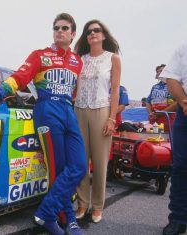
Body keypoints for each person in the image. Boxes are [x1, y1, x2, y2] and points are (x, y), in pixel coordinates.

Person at [0, 13, 87, 235]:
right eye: (56, 28)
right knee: (58, 169)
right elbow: (19, 78)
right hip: (47, 110)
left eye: (65, 28)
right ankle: (69, 219)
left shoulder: (77, 61)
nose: (60, 31)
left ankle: (46, 213)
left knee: (80, 166)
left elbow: (74, 92)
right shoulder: (40, 56)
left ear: (73, 34)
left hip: (67, 111)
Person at [73, 19, 121, 223]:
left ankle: (98, 206)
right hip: (79, 111)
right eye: (88, 31)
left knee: (100, 163)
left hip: (101, 111)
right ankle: (82, 203)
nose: (92, 33)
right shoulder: (79, 59)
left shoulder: (113, 58)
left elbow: (116, 89)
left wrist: (112, 118)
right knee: (80, 161)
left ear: (103, 35)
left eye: (96, 30)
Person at [159, 43, 187, 235]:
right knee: (181, 167)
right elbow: (172, 78)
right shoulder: (183, 48)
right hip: (186, 112)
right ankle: (178, 218)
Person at [146, 64, 177, 132]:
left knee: (168, 140)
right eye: (157, 71)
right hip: (155, 119)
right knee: (156, 139)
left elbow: (177, 102)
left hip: (168, 118)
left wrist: (161, 113)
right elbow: (147, 102)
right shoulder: (154, 87)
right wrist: (151, 113)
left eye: (161, 71)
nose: (159, 73)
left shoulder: (174, 85)